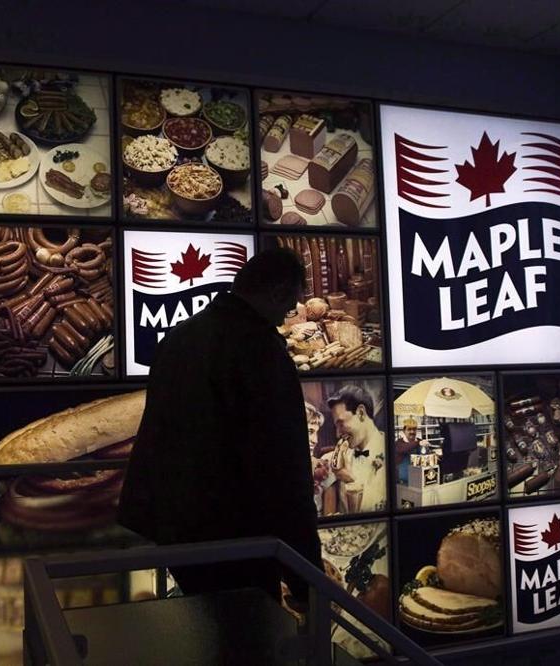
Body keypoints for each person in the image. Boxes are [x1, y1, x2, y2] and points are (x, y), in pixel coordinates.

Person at [118, 247, 323, 603]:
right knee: (252, 640)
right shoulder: (260, 350)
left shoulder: (181, 336)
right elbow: (282, 465)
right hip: (237, 533)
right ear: (275, 292)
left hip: (176, 528)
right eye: (290, 300)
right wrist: (305, 573)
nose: (289, 312)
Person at [327, 385, 387, 514]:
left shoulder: (392, 451)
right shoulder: (342, 457)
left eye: (341, 423)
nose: (338, 434)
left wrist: (351, 481)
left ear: (360, 413)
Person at [394, 418, 427, 484]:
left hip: (418, 479)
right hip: (403, 482)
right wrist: (418, 443)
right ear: (404, 431)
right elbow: (404, 448)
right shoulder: (398, 443)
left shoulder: (419, 441)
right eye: (409, 429)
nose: (412, 432)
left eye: (414, 429)